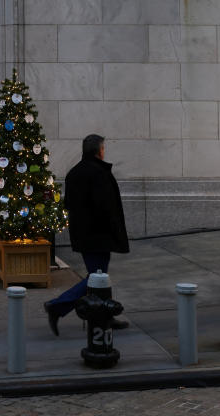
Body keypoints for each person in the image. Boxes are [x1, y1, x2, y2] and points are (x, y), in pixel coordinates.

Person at [44, 134, 130, 335]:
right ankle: (57, 306)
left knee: (99, 277)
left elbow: (69, 205)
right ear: (98, 150)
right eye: (103, 148)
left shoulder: (75, 173)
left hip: (84, 235)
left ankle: (104, 316)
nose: (104, 151)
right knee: (96, 278)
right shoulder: (98, 173)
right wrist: (114, 232)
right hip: (98, 235)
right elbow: (106, 208)